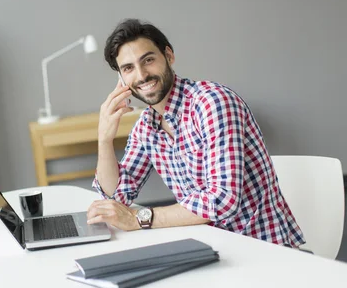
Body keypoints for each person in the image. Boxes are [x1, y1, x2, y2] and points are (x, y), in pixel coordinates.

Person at [87, 18, 305, 248]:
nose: (141, 76)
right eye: (128, 68)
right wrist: (104, 139)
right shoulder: (146, 126)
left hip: (261, 247)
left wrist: (138, 218)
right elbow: (116, 197)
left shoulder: (212, 103)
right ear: (121, 79)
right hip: (209, 247)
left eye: (148, 60)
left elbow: (222, 201)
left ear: (169, 56)